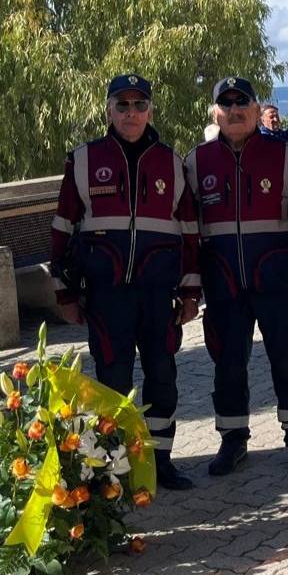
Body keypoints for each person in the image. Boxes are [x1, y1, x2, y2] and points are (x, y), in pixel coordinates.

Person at [49, 73, 199, 491]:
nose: (131, 113)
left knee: (161, 378)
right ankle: (116, 466)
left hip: (157, 293)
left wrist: (190, 292)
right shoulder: (83, 159)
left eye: (139, 105)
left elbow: (189, 232)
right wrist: (64, 292)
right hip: (105, 293)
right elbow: (62, 226)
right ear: (108, 110)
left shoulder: (172, 162)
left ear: (150, 110)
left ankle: (160, 461)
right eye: (122, 105)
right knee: (112, 381)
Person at [185, 77, 288, 477]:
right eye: (225, 105)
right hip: (224, 283)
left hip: (277, 280)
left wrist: (282, 254)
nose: (234, 110)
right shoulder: (196, 161)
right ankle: (232, 440)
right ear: (214, 114)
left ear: (257, 110)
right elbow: (188, 226)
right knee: (227, 364)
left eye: (242, 103)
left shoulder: (284, 156)